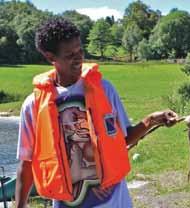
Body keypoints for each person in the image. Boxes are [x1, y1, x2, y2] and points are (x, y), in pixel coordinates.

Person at [15, 18, 179, 208]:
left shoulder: (104, 89)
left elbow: (123, 139)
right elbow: (26, 162)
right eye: (69, 54)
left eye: (80, 50)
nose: (79, 58)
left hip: (114, 201)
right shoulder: (33, 105)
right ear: (51, 57)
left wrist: (152, 120)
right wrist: (19, 205)